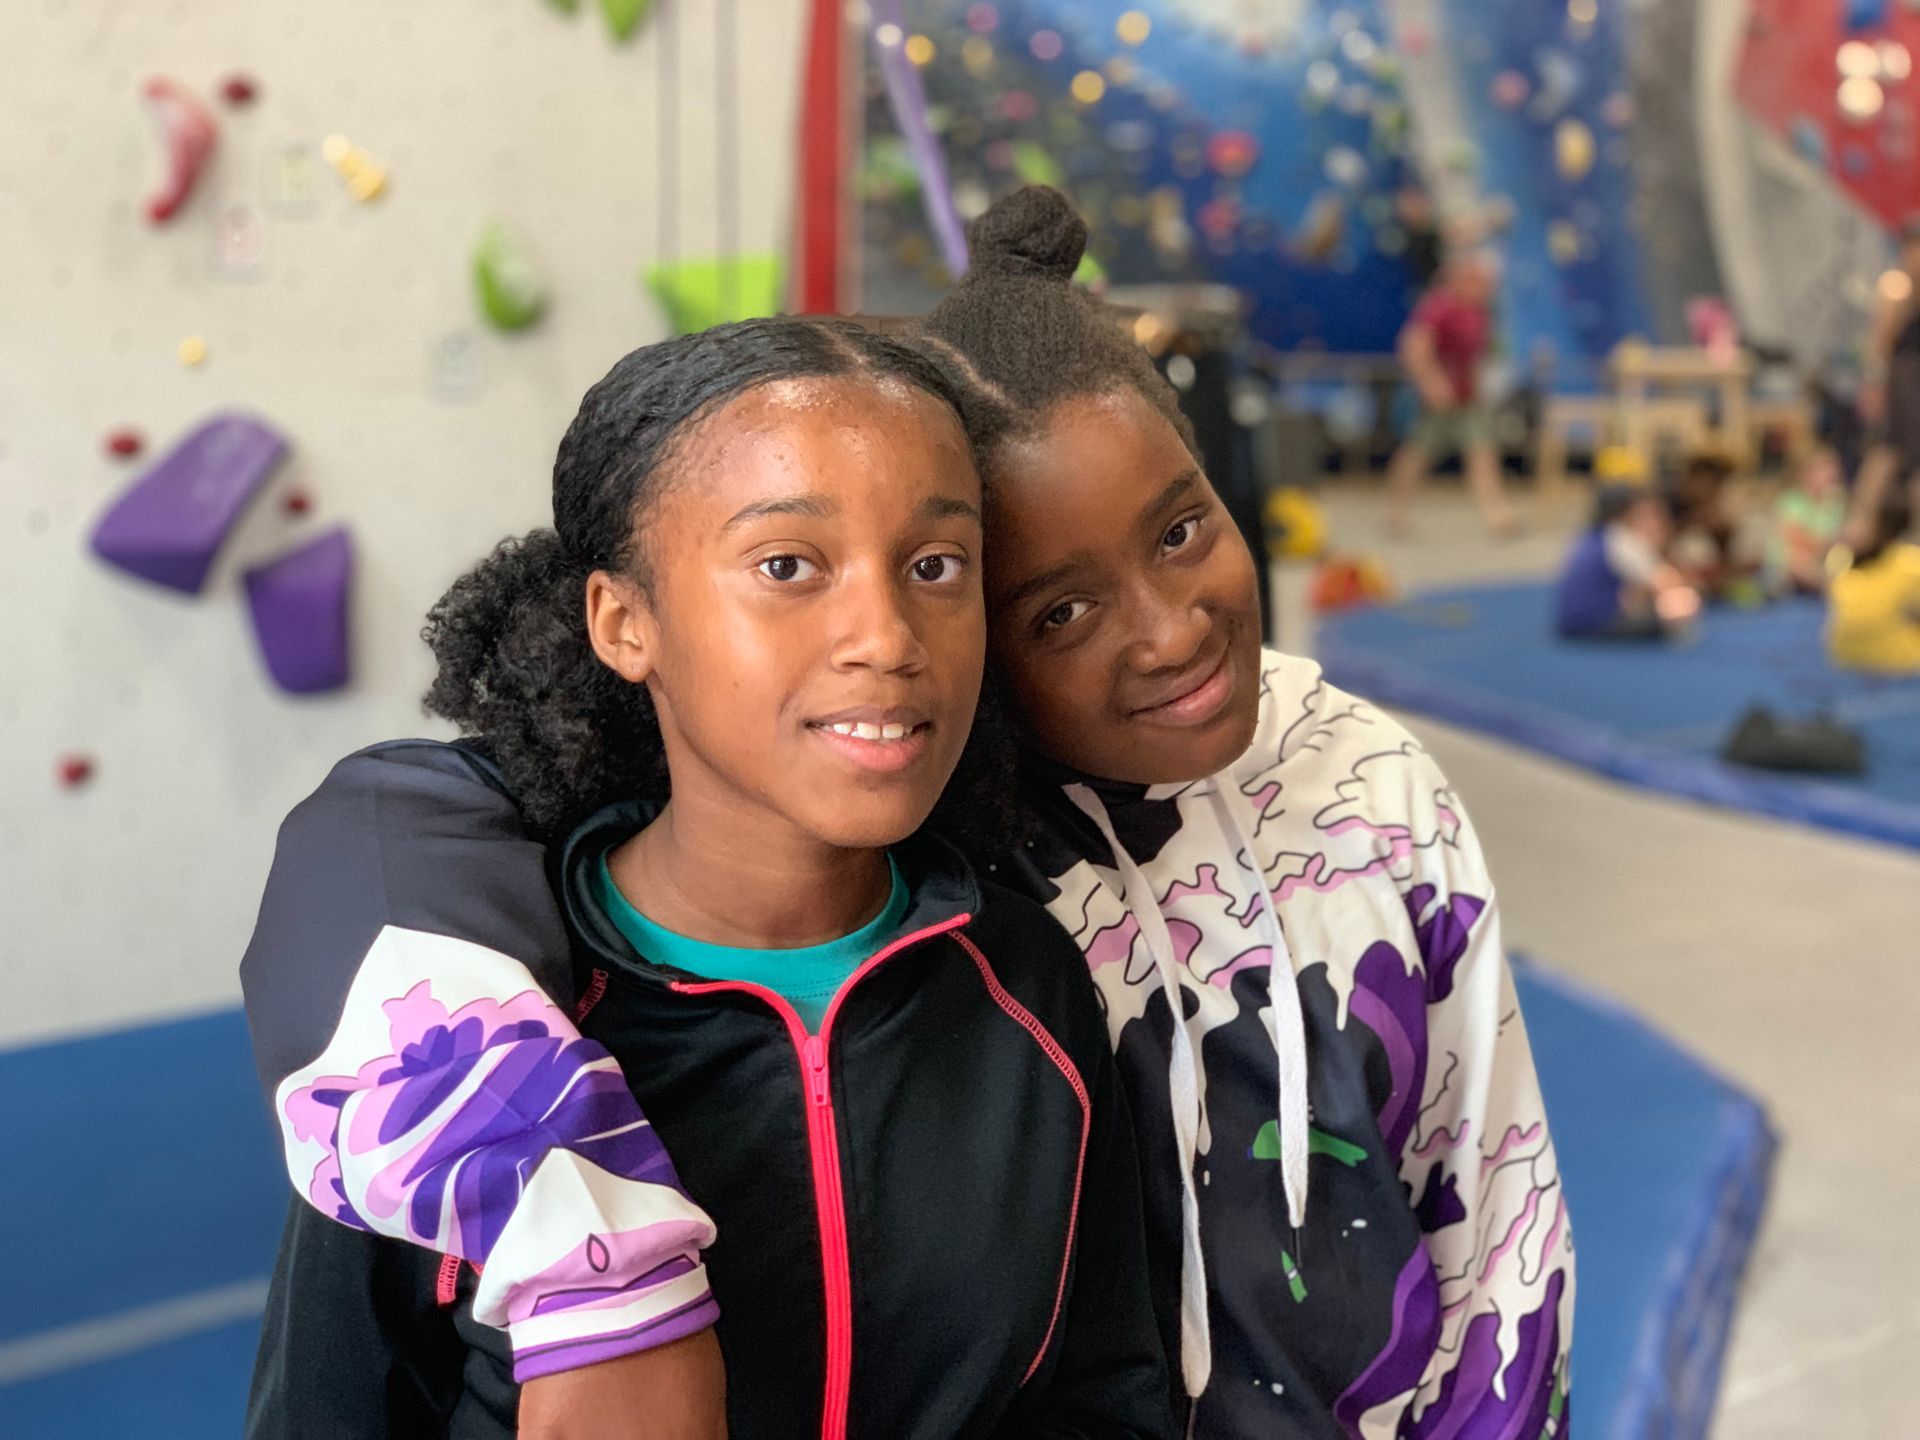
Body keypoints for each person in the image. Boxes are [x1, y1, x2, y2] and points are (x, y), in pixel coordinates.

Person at [249, 190, 1575, 1438]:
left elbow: (1478, 1175)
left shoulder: (1076, 948)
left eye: (1182, 529)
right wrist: (589, 1269)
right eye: (1058, 607)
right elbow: (383, 831)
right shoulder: (525, 992)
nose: (1173, 633)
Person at [240, 316, 1172, 1438]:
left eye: (936, 565)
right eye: (788, 565)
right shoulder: (468, 1033)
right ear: (624, 622)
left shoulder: (1025, 982)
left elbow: (1100, 1393)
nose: (887, 635)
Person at [1384, 251, 1520, 538]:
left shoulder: (1479, 312)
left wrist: (1479, 388)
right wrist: (1431, 382)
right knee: (1416, 454)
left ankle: (1497, 515)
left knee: (1482, 454)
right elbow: (1414, 346)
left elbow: (1477, 357)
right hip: (1434, 401)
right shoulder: (1439, 307)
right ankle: (1395, 513)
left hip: (1466, 399)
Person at [1555, 484, 1701, 640]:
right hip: (1597, 623)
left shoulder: (1588, 537)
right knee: (1683, 605)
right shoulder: (1622, 539)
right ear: (1627, 512)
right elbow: (1666, 583)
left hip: (1568, 621)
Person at [1851, 221, 1920, 547]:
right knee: (1889, 455)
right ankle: (1859, 532)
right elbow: (1880, 342)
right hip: (1905, 380)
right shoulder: (1897, 286)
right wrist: (1875, 384)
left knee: (1895, 457)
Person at [1828, 495, 1920, 673]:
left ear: (1882, 527)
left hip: (1901, 666)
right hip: (1850, 666)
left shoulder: (1909, 562)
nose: (1850, 528)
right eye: (1849, 519)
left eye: (1860, 520)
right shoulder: (1841, 560)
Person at [1767, 445, 1848, 596]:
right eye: (1825, 469)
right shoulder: (1791, 501)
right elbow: (1797, 539)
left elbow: (1844, 535)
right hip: (1789, 564)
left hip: (1825, 559)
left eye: (1834, 468)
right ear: (1805, 473)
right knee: (1799, 561)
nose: (1833, 474)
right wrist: (1826, 546)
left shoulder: (1836, 502)